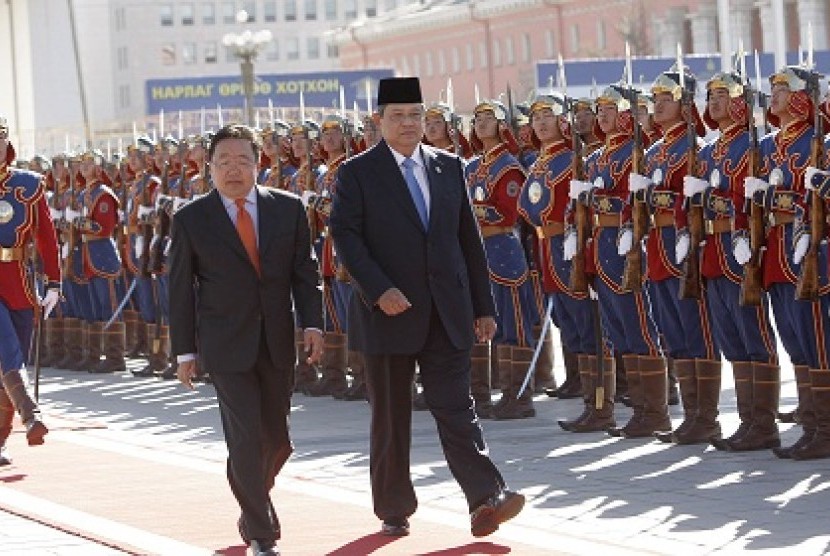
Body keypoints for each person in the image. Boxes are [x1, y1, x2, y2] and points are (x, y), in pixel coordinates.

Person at [329, 76, 524, 539]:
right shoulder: (357, 172)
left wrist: (483, 305)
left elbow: (468, 242)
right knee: (391, 418)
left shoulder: (448, 166)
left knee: (457, 408)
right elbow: (347, 238)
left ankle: (485, 499)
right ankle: (394, 508)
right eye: (397, 116)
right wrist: (379, 289)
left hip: (446, 310)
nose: (408, 124)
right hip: (388, 314)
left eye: (415, 115)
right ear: (379, 121)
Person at [168, 124, 324, 556]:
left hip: (276, 340)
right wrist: (185, 352)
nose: (233, 171)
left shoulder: (288, 209)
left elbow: (305, 274)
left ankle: (250, 496)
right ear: (209, 169)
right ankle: (261, 531)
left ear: (259, 165)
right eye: (223, 163)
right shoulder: (191, 219)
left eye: (242, 161)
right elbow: (180, 291)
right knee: (244, 436)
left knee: (277, 440)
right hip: (224, 345)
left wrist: (313, 324)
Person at [0, 115, 60, 464]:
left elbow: (47, 238)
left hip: (20, 282)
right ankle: (31, 414)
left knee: (13, 358)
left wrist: (55, 283)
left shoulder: (28, 184)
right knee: (8, 349)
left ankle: (1, 438)